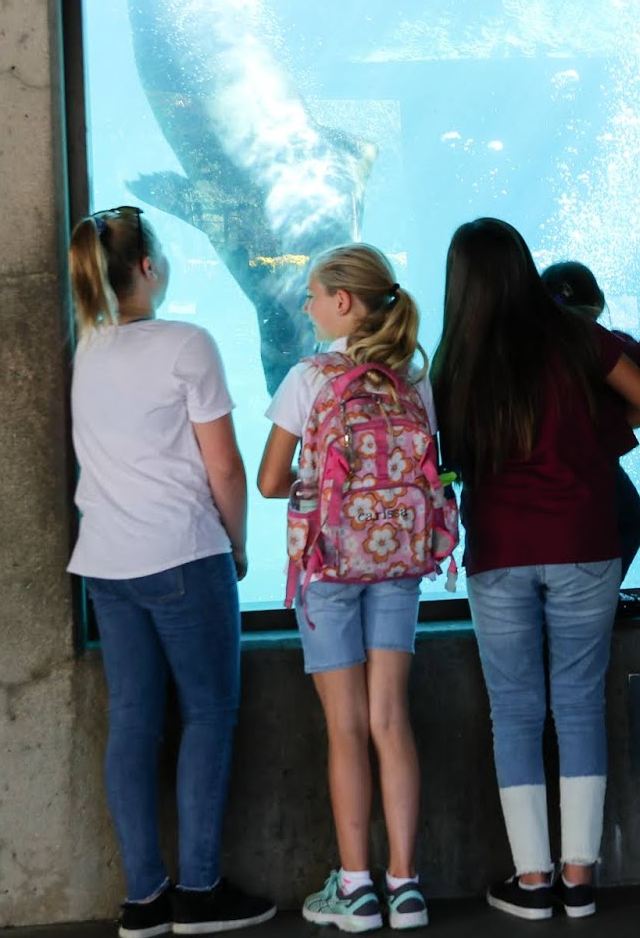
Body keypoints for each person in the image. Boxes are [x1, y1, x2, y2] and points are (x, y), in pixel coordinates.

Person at [431, 219, 640, 920]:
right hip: (584, 541)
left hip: (499, 550)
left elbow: (446, 462)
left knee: (515, 711)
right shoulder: (576, 336)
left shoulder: (455, 359)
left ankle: (532, 881)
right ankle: (580, 878)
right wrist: (589, 443)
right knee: (579, 703)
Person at [66, 205, 275, 938]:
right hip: (183, 554)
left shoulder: (88, 347)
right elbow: (226, 466)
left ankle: (144, 900)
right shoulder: (188, 343)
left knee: (132, 722)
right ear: (149, 267)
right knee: (209, 715)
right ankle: (200, 893)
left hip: (107, 566)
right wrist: (237, 546)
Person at [258, 244, 439, 932]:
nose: (306, 306)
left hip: (330, 567)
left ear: (343, 302)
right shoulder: (414, 378)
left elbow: (269, 482)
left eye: (313, 295)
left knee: (346, 727)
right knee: (391, 719)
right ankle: (407, 887)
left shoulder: (308, 377)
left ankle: (357, 888)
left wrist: (322, 484)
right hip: (397, 564)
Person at [541, 258, 640, 617]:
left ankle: (560, 598)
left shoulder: (528, 353)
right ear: (599, 302)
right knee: (630, 520)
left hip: (545, 464)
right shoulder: (606, 343)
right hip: (597, 462)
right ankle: (601, 597)